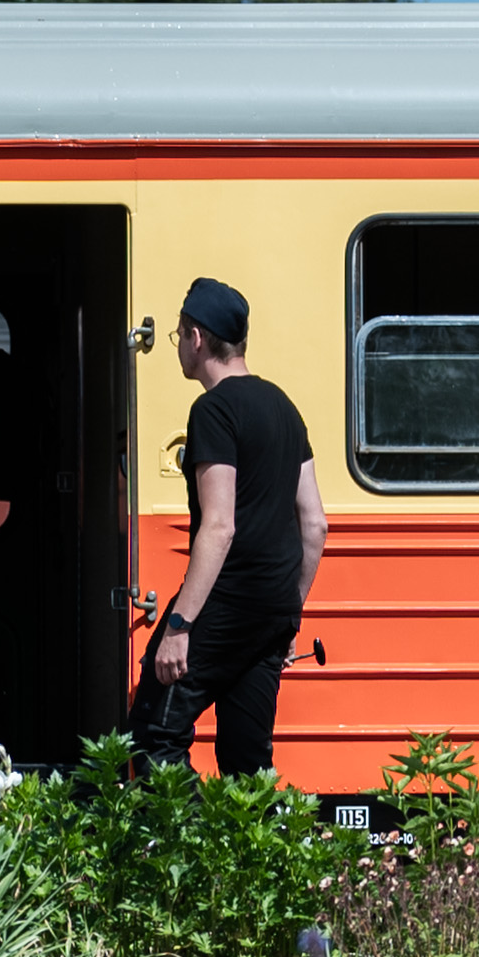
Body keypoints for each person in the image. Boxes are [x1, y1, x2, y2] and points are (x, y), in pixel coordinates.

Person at [133, 276, 326, 777]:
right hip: (272, 613)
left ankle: (189, 846)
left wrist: (179, 627)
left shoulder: (213, 411)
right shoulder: (285, 408)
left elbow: (219, 527)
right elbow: (315, 525)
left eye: (178, 336)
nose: (179, 348)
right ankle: (247, 854)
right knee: (247, 757)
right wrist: (290, 613)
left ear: (197, 337)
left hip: (225, 606)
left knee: (154, 733)